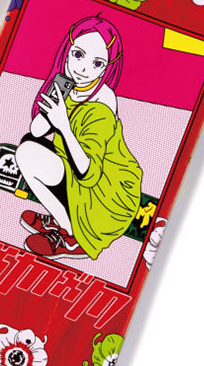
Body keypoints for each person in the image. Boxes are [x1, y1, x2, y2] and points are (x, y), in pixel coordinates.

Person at [15, 15, 142, 260]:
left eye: (97, 63)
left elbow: (89, 173)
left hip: (108, 194)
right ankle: (65, 219)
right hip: (79, 177)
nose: (83, 69)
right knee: (29, 146)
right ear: (67, 51)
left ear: (107, 67)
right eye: (78, 55)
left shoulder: (102, 104)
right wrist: (56, 100)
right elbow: (37, 131)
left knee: (28, 154)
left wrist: (63, 124)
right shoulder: (67, 86)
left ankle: (75, 237)